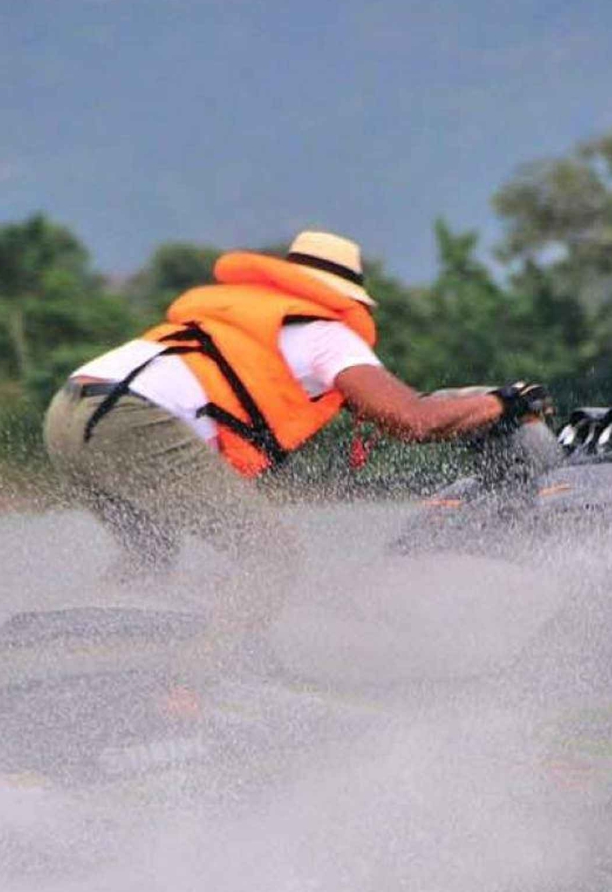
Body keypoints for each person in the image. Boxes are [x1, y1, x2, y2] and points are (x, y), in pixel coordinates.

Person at [42, 229, 552, 636]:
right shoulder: (327, 334)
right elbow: (414, 420)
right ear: (349, 295)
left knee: (148, 556)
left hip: (69, 410)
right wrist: (505, 402)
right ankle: (196, 693)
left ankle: (80, 652)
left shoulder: (243, 316)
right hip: (134, 419)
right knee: (271, 555)